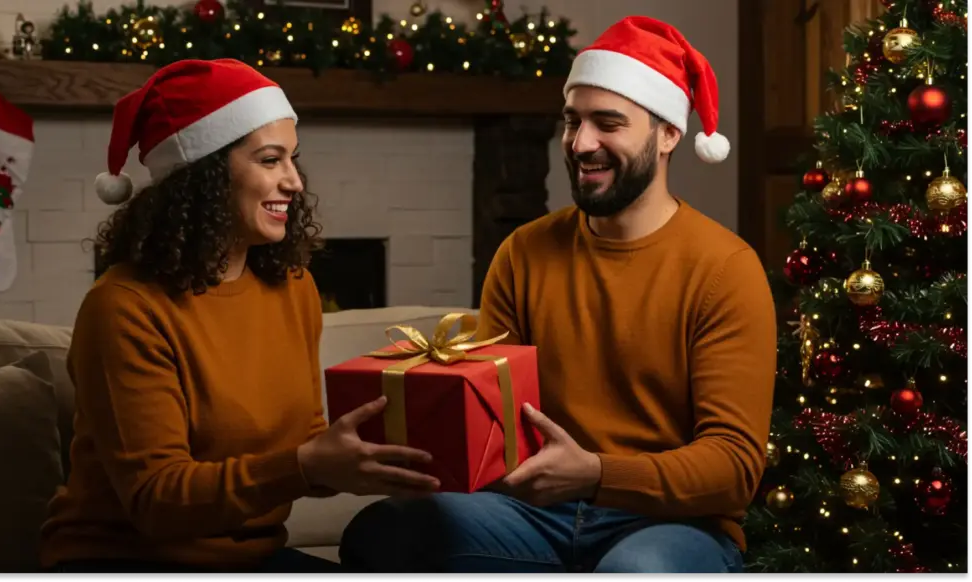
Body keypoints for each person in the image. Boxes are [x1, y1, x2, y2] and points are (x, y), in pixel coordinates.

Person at [339, 16, 777, 575]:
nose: (580, 143)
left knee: (637, 572)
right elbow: (490, 412)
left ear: (668, 134)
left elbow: (734, 468)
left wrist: (597, 474)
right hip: (531, 513)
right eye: (572, 121)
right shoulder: (524, 252)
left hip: (667, 522)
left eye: (607, 123)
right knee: (384, 534)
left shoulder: (724, 269)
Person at [39, 59, 439, 577]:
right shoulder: (124, 306)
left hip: (253, 557)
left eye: (293, 159)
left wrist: (360, 459)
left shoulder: (294, 288)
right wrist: (303, 466)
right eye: (270, 160)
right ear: (203, 177)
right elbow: (156, 498)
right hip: (123, 558)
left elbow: (304, 439)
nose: (294, 182)